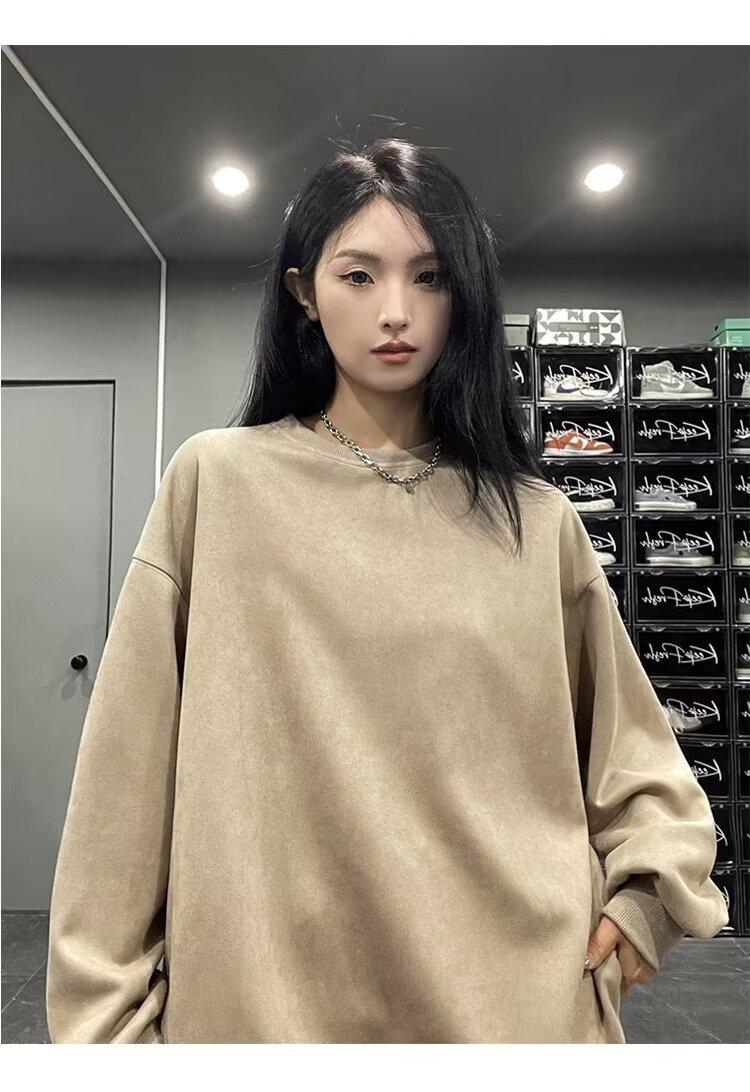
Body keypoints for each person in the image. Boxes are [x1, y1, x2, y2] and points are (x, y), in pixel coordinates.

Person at [45, 138, 728, 1045]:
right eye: (358, 275)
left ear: (464, 295)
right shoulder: (217, 486)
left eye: (430, 277)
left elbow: (638, 759)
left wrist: (646, 897)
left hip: (513, 1012)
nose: (396, 312)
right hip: (265, 1017)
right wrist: (104, 1032)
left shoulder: (536, 521)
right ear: (304, 292)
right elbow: (122, 787)